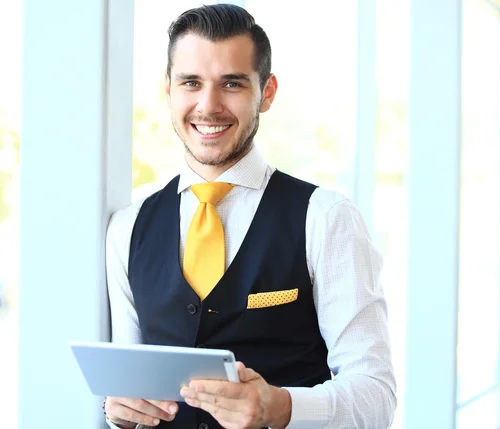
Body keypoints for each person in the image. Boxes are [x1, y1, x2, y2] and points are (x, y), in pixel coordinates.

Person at [104, 4, 396, 429]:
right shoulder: (127, 229)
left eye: (232, 84)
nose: (209, 105)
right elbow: (128, 390)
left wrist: (281, 407)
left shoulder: (326, 218)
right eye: (191, 83)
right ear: (168, 89)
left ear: (268, 92)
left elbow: (376, 396)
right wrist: (119, 413)